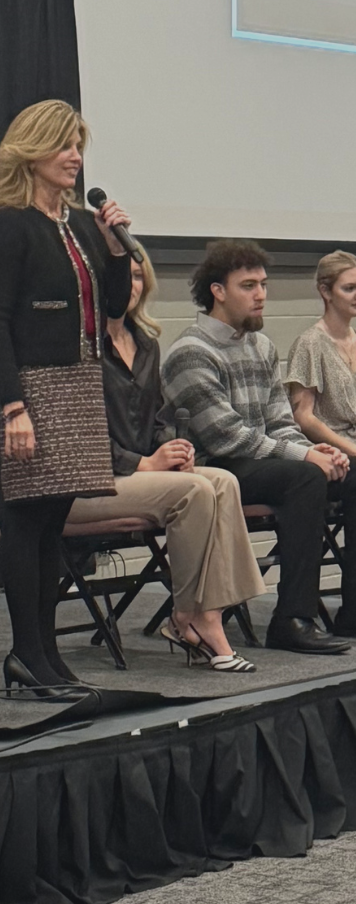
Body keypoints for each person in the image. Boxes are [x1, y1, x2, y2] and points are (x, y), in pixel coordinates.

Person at [0, 99, 132, 689]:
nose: (75, 156)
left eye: (78, 145)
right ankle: (26, 653)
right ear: (33, 150)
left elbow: (115, 305)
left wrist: (115, 247)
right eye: (64, 145)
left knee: (53, 526)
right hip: (36, 389)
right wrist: (13, 405)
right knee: (27, 521)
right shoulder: (11, 225)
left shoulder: (79, 226)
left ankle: (44, 655)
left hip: (80, 381)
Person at [68, 250, 265, 671]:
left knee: (223, 481)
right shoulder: (79, 345)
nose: (131, 286)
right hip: (90, 479)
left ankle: (207, 615)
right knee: (193, 491)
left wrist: (174, 449)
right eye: (124, 276)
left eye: (139, 277)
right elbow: (77, 432)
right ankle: (191, 617)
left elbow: (158, 417)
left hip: (139, 475)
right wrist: (143, 463)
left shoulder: (145, 343)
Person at [161, 240, 352, 654]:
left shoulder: (261, 346)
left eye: (263, 284)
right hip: (213, 469)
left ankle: (352, 612)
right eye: (248, 286)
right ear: (218, 291)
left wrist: (320, 451)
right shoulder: (191, 352)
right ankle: (292, 620)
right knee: (304, 477)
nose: (261, 294)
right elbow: (226, 437)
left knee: (349, 473)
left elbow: (281, 422)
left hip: (260, 462)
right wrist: (306, 455)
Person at [285, 250, 356, 634]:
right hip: (332, 456)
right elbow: (305, 417)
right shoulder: (311, 344)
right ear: (326, 292)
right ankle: (352, 613)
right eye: (350, 288)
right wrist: (350, 448)